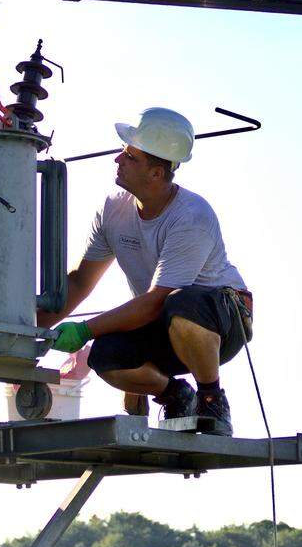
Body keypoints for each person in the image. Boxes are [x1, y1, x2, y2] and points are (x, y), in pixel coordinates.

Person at [36, 108, 252, 435]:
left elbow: (155, 302)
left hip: (221, 321)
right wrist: (30, 331)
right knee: (106, 355)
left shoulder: (191, 217)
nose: (117, 160)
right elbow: (80, 281)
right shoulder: (114, 209)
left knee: (181, 304)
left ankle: (211, 399)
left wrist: (84, 330)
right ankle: (176, 394)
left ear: (156, 173)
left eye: (130, 156)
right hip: (166, 322)